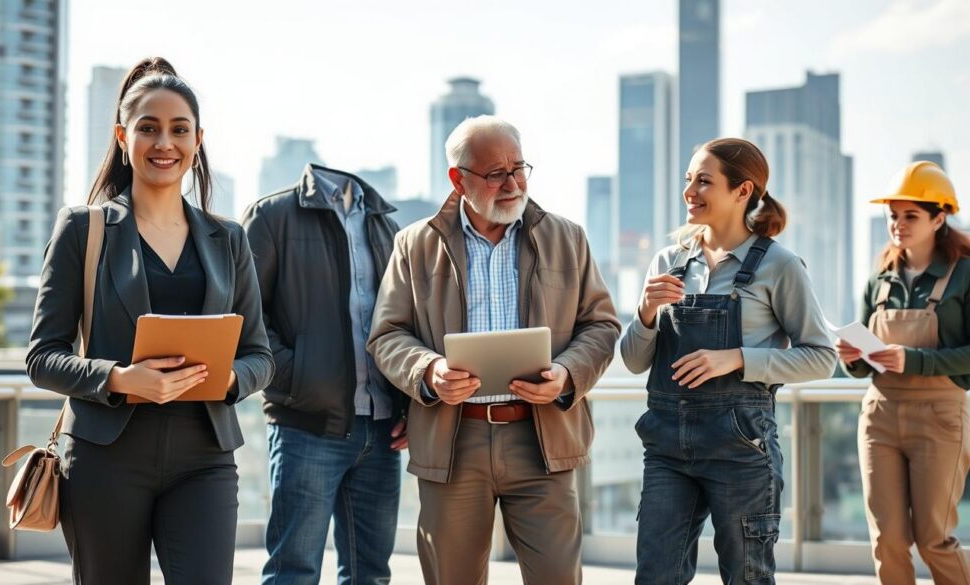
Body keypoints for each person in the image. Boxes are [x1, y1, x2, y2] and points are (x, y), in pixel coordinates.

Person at [25, 57, 274, 585]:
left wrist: (227, 377)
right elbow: (42, 357)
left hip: (205, 457)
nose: (165, 143)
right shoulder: (83, 229)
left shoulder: (229, 239)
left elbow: (260, 355)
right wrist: (120, 378)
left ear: (198, 140)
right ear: (123, 137)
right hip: (105, 458)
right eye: (148, 128)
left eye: (180, 129)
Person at [367, 115, 620, 585]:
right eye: (496, 173)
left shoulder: (568, 238)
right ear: (457, 179)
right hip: (452, 442)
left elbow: (602, 326)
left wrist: (567, 373)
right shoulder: (415, 244)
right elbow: (387, 335)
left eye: (519, 168)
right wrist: (429, 370)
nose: (512, 183)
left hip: (544, 441)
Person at [621, 137, 836, 584]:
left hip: (741, 448)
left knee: (747, 577)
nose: (689, 191)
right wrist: (644, 312)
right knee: (654, 576)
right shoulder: (668, 261)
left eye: (704, 181)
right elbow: (634, 361)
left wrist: (737, 359)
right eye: (688, 180)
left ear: (743, 191)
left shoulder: (780, 265)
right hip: (666, 448)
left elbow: (821, 358)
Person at [241, 164, 407, 585]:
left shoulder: (386, 225)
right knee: (293, 573)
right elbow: (245, 318)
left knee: (371, 575)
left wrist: (409, 407)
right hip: (306, 426)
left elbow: (405, 324)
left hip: (382, 430)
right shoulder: (272, 216)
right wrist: (300, 380)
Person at [839, 161, 970, 584]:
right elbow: (862, 368)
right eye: (893, 215)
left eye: (911, 215)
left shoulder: (965, 276)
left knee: (933, 539)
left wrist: (914, 360)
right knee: (888, 542)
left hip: (941, 417)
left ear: (939, 218)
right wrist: (852, 357)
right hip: (879, 417)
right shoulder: (879, 279)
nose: (898, 224)